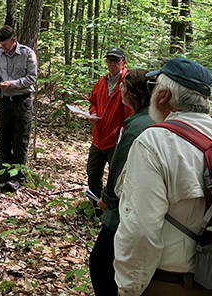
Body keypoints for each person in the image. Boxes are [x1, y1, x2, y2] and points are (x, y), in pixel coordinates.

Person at [113, 58, 212, 295]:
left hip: (173, 283)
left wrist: (128, 288)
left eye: (155, 86)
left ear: (164, 96)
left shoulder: (153, 142)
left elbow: (140, 229)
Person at [89, 69, 155, 296]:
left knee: (101, 262)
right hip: (148, 209)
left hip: (126, 210)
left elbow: (119, 170)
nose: (120, 91)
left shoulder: (135, 126)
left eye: (124, 89)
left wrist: (107, 201)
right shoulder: (153, 118)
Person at [0, 25, 37, 193]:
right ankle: (3, 174)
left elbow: (32, 78)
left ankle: (17, 177)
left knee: (20, 141)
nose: (2, 48)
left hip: (22, 102)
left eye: (5, 45)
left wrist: (12, 84)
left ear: (13, 41)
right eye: (0, 45)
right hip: (4, 102)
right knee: (3, 139)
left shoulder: (27, 54)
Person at [86, 48, 132, 203]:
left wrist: (125, 134)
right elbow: (92, 101)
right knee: (93, 173)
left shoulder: (127, 83)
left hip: (116, 140)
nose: (112, 64)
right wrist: (92, 113)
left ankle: (111, 208)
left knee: (116, 177)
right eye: (109, 60)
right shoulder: (101, 82)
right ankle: (94, 206)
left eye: (116, 61)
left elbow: (131, 112)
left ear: (123, 62)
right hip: (98, 137)